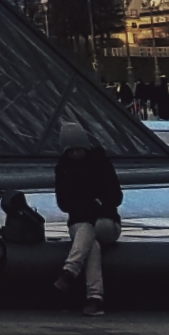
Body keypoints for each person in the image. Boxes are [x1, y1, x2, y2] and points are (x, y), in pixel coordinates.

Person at [52, 122, 124, 316]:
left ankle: (69, 271)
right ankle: (95, 299)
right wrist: (93, 203)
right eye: (71, 151)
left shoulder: (100, 163)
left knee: (89, 228)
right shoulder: (62, 169)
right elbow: (63, 204)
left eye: (79, 150)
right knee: (92, 244)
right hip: (82, 225)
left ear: (86, 146)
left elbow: (116, 198)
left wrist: (88, 204)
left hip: (106, 224)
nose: (75, 154)